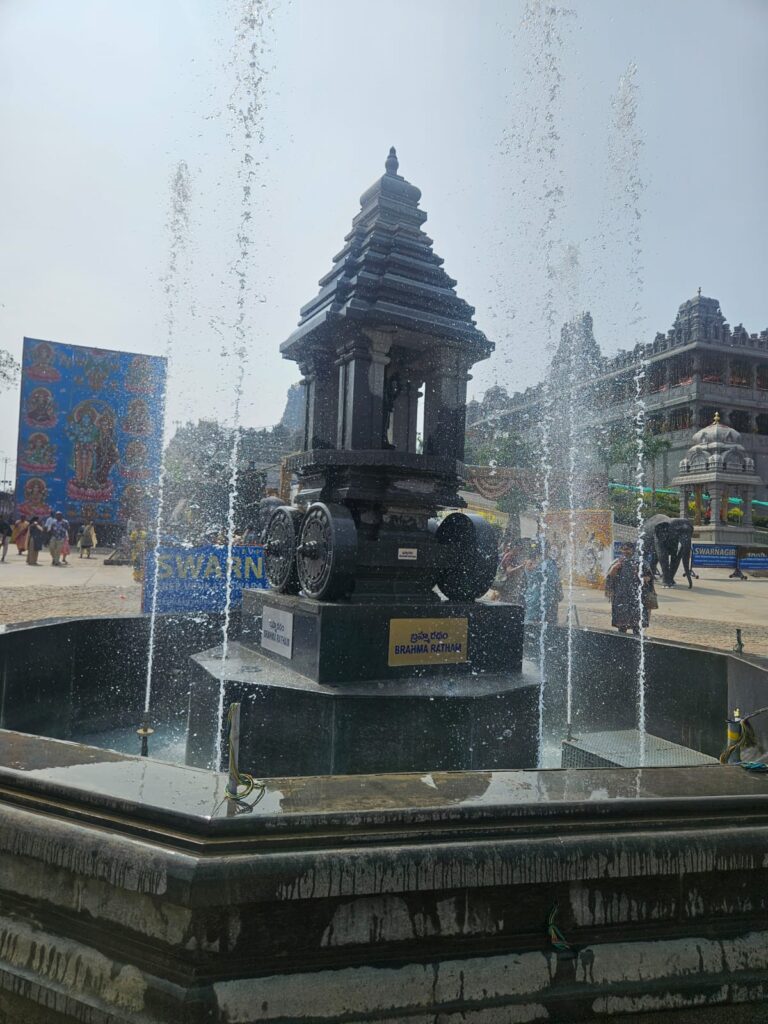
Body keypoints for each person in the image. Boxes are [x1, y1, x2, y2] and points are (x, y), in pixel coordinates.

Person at [605, 541, 656, 635]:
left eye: (627, 549)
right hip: (621, 597)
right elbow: (609, 577)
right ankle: (622, 642)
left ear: (633, 550)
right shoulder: (617, 562)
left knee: (637, 625)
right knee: (621, 625)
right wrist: (614, 569)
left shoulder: (641, 563)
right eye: (623, 549)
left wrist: (642, 577)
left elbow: (650, 578)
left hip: (637, 597)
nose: (625, 552)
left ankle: (636, 644)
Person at [524, 544, 562, 625]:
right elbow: (556, 581)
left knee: (534, 623)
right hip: (543, 599)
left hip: (536, 598)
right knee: (546, 623)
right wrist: (559, 592)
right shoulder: (548, 564)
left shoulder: (531, 562)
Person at [491, 539, 527, 605]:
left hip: (507, 584)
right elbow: (509, 571)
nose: (520, 551)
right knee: (506, 601)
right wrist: (521, 566)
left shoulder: (510, 555)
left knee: (505, 600)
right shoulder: (509, 556)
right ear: (515, 547)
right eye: (520, 549)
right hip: (506, 584)